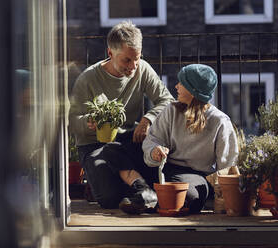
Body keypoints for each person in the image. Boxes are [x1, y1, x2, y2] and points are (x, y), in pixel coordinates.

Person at [69, 21, 174, 214]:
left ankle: (134, 187)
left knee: (161, 167)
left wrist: (148, 118)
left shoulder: (142, 68)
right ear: (110, 53)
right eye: (127, 60)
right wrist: (89, 122)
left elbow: (167, 100)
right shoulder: (87, 79)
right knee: (108, 199)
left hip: (127, 140)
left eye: (137, 58)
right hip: (94, 145)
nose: (134, 66)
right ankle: (127, 187)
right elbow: (72, 122)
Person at [142, 64, 239, 214]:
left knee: (191, 197)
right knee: (119, 153)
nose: (176, 86)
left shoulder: (219, 121)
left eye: (181, 83)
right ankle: (150, 198)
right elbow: (153, 139)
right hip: (162, 168)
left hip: (195, 176)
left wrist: (224, 197)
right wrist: (154, 150)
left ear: (193, 91)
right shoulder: (171, 110)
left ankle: (150, 200)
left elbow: (227, 165)